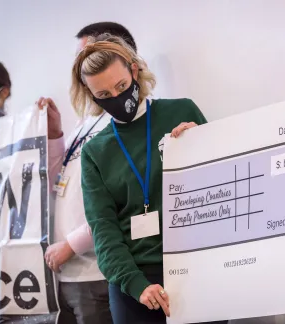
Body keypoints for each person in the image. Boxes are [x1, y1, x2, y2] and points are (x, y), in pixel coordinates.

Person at [74, 34, 226, 324]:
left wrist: (201, 147)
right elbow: (103, 232)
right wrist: (135, 284)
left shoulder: (181, 111)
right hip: (135, 283)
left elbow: (224, 188)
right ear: (91, 95)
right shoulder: (95, 152)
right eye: (104, 95)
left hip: (197, 269)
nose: (117, 98)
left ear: (134, 71)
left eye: (121, 86)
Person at [41, 21, 138, 324]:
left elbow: (119, 204)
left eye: (90, 55)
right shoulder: (85, 123)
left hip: (96, 271)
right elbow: (58, 182)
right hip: (67, 275)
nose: (83, 65)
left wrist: (71, 246)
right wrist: (56, 136)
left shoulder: (125, 120)